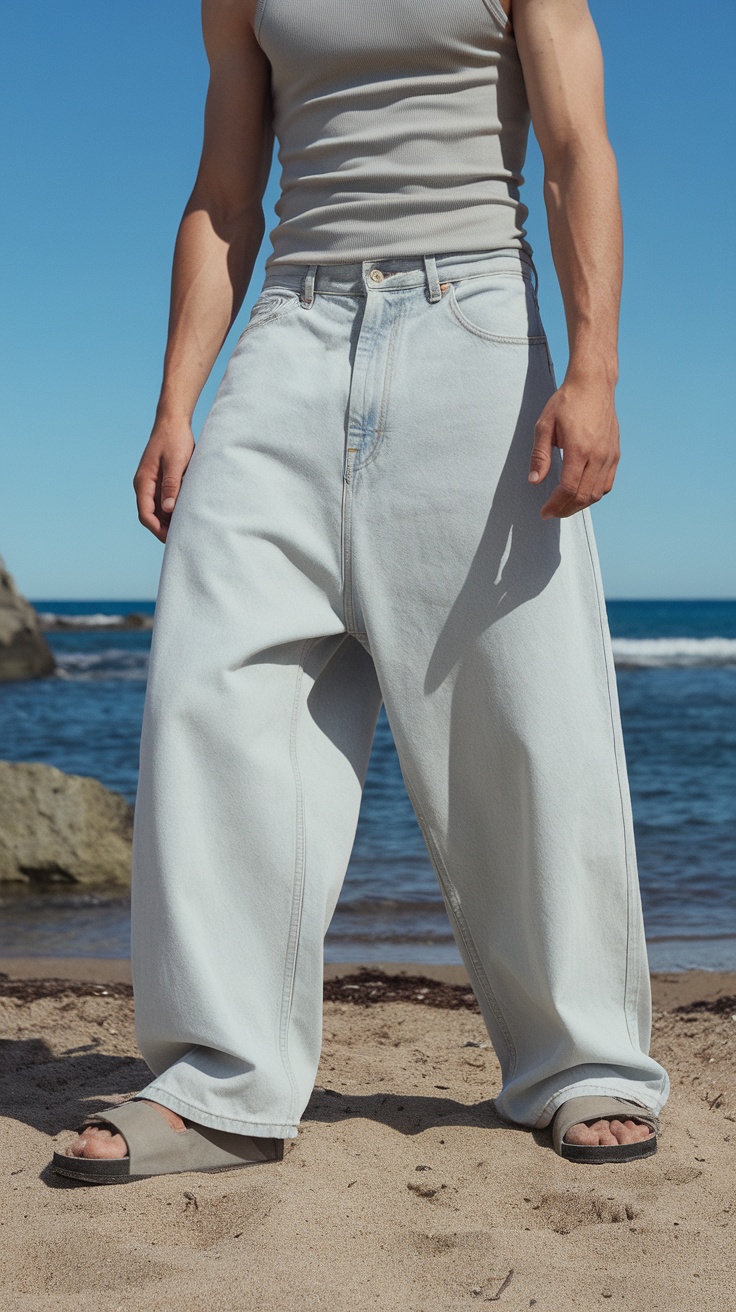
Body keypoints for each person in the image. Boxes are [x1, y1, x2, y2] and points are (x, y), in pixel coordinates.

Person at [53, 0, 669, 1183]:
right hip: (287, 329)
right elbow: (226, 195)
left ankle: (580, 1061)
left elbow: (574, 146)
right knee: (213, 689)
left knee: (520, 709)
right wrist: (178, 400)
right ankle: (221, 1081)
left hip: (471, 321)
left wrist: (591, 367)